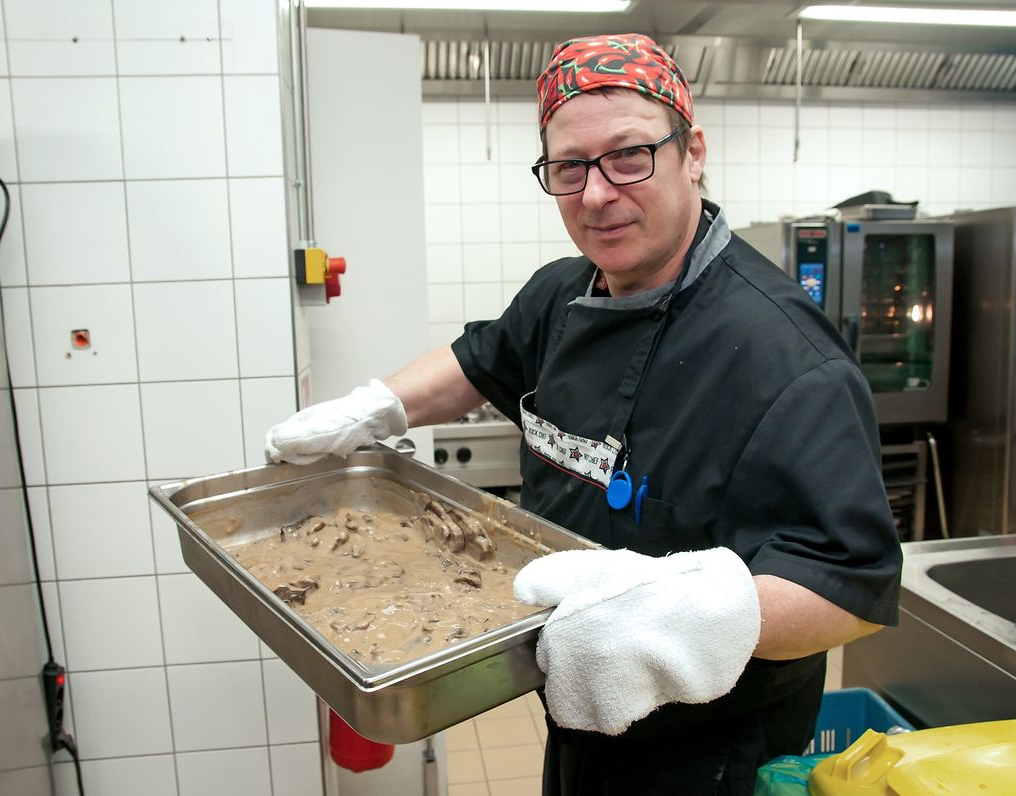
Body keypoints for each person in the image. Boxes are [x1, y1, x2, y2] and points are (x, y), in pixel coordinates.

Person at [267, 33, 901, 796]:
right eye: (569, 167)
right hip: (578, 712)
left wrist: (687, 614)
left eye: (629, 156)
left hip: (716, 752)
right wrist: (375, 407)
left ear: (692, 152)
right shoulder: (563, 292)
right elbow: (478, 362)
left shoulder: (788, 359)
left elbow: (850, 590)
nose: (597, 194)